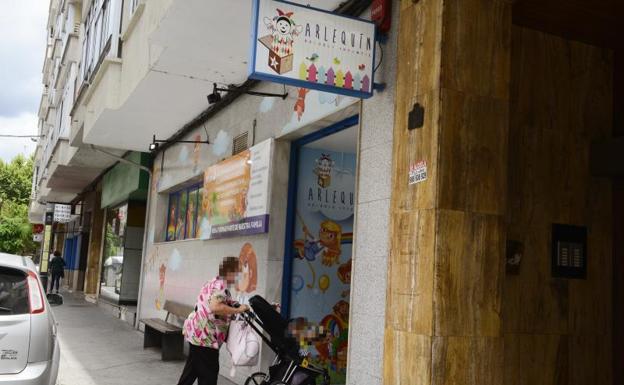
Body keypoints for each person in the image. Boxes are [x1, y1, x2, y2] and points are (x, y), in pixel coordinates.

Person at [178, 256, 250, 385]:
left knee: (192, 370)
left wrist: (234, 304)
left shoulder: (214, 282)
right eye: (238, 273)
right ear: (230, 272)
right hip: (206, 338)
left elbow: (216, 301)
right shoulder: (221, 285)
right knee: (208, 374)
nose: (239, 276)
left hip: (196, 334)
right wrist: (238, 311)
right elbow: (215, 307)